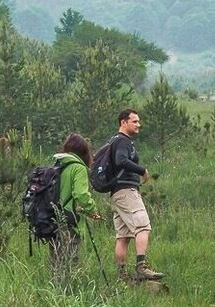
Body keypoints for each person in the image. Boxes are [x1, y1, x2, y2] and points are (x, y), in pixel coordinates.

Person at [110, 109, 164, 283]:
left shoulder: (115, 141)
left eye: (138, 121)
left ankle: (122, 275)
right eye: (134, 121)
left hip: (116, 193)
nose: (138, 124)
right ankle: (142, 267)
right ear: (123, 123)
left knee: (123, 236)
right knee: (143, 227)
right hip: (127, 191)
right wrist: (143, 171)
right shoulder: (123, 142)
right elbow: (121, 161)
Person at [50, 133, 102, 287]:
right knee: (70, 259)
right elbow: (81, 194)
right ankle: (70, 291)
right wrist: (92, 209)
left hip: (51, 218)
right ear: (84, 151)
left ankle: (55, 290)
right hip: (68, 219)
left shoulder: (58, 166)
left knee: (56, 260)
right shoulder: (78, 168)